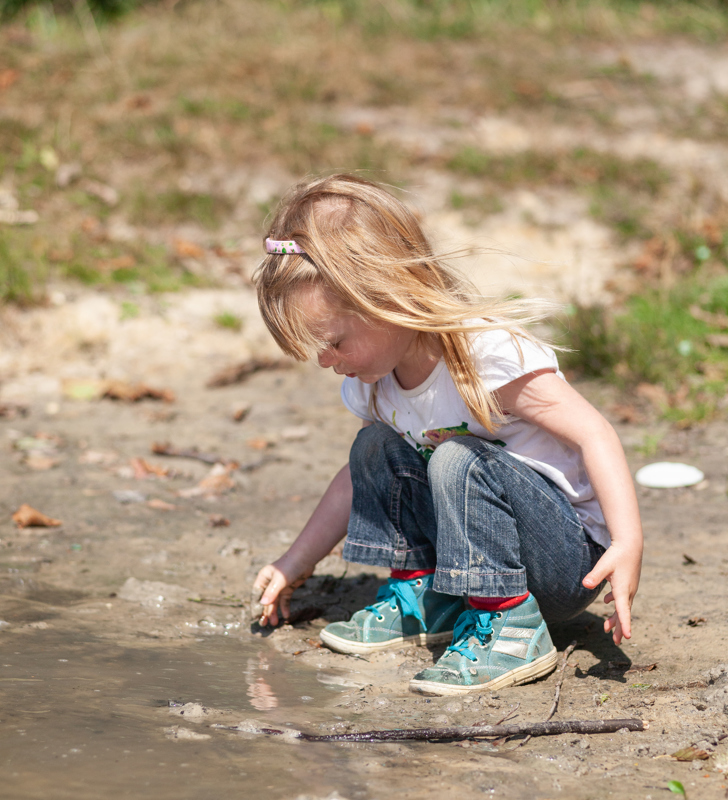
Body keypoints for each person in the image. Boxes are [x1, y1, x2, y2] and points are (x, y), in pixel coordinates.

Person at [252, 173, 643, 696]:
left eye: (334, 343)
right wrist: (293, 562)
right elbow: (354, 483)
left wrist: (627, 541)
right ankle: (424, 593)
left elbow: (595, 432)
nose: (325, 362)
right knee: (374, 448)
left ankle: (511, 626)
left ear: (384, 298)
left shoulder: (483, 357)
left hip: (562, 564)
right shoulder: (375, 388)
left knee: (458, 457)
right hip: (474, 553)